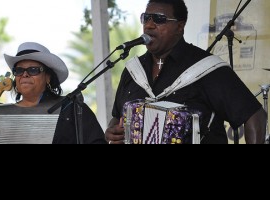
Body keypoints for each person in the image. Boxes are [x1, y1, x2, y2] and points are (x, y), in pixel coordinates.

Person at [105, 0, 267, 144]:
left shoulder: (207, 69)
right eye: (145, 18)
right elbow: (117, 116)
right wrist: (111, 132)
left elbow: (254, 114)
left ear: (180, 26)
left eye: (159, 19)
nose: (149, 25)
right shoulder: (133, 71)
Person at [0, 42, 107, 144]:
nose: (25, 74)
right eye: (19, 70)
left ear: (48, 77)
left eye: (33, 70)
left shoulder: (71, 108)